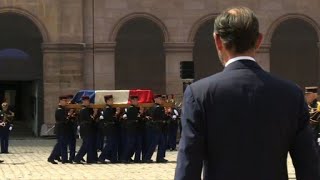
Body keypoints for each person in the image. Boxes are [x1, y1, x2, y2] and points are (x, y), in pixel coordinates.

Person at [175, 7, 320, 180]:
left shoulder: (198, 93)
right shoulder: (291, 93)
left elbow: (188, 165)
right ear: (258, 40)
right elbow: (309, 166)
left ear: (218, 41)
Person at [143, 94, 169, 163]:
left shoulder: (153, 107)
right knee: (154, 144)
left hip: (156, 127)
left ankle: (158, 158)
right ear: (156, 100)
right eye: (160, 99)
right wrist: (166, 115)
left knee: (160, 143)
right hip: (157, 127)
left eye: (161, 99)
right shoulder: (158, 107)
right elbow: (159, 117)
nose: (161, 101)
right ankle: (148, 158)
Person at [74, 96, 96, 164]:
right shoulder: (84, 110)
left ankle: (90, 159)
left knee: (88, 144)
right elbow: (90, 120)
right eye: (86, 101)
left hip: (87, 129)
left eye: (88, 101)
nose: (87, 102)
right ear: (83, 101)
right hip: (86, 129)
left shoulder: (85, 109)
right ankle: (77, 158)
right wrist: (95, 113)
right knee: (86, 144)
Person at [47, 95, 69, 164]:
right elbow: (64, 120)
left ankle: (64, 159)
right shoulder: (59, 110)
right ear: (60, 102)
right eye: (64, 101)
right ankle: (51, 157)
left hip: (63, 129)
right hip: (60, 129)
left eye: (66, 101)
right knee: (59, 144)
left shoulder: (63, 109)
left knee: (63, 144)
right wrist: (69, 116)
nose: (66, 102)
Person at [98, 95, 119, 163]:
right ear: (107, 101)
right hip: (109, 128)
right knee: (110, 143)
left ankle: (113, 158)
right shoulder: (107, 109)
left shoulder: (109, 108)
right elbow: (109, 118)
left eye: (112, 100)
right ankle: (102, 157)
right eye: (110, 100)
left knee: (112, 143)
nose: (112, 101)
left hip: (111, 128)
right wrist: (116, 113)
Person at [121, 95, 143, 163]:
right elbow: (135, 117)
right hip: (132, 128)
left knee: (136, 144)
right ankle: (125, 158)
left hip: (135, 128)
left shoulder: (135, 108)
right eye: (135, 100)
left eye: (137, 100)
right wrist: (140, 112)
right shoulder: (131, 108)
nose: (137, 101)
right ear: (132, 101)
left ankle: (134, 158)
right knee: (130, 144)